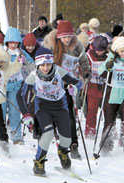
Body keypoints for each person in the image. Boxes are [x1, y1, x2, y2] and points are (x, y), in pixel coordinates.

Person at [17, 47, 82, 176]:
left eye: (48, 64)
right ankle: (39, 161)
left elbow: (78, 83)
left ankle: (63, 152)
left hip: (60, 107)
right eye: (42, 65)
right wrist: (25, 114)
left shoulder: (59, 71)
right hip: (43, 108)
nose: (45, 68)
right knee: (48, 134)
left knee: (66, 140)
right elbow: (20, 95)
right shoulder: (33, 76)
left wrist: (74, 88)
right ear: (37, 65)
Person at [43, 20, 90, 159]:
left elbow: (83, 59)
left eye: (69, 36)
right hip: (54, 84)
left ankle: (73, 144)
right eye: (64, 37)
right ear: (58, 36)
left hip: (69, 84)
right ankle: (57, 133)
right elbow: (43, 62)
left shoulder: (77, 44)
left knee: (70, 114)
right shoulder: (52, 44)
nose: (67, 40)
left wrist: (86, 70)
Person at [96, 36, 124, 154]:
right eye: (121, 51)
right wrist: (107, 67)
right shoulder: (111, 59)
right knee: (109, 123)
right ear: (116, 50)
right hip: (111, 96)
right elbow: (100, 72)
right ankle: (105, 147)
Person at [3, 27, 34, 145]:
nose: (12, 45)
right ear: (7, 42)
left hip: (16, 85)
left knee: (15, 111)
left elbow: (31, 64)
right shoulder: (2, 51)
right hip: (2, 85)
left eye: (15, 43)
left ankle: (16, 136)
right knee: (0, 110)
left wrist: (26, 63)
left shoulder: (21, 52)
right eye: (10, 43)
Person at [83, 36, 108, 140]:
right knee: (92, 112)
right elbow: (82, 68)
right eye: (98, 50)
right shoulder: (88, 56)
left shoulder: (108, 57)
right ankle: (90, 132)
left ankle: (109, 131)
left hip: (105, 87)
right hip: (93, 88)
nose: (99, 53)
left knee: (108, 111)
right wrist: (85, 73)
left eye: (102, 51)